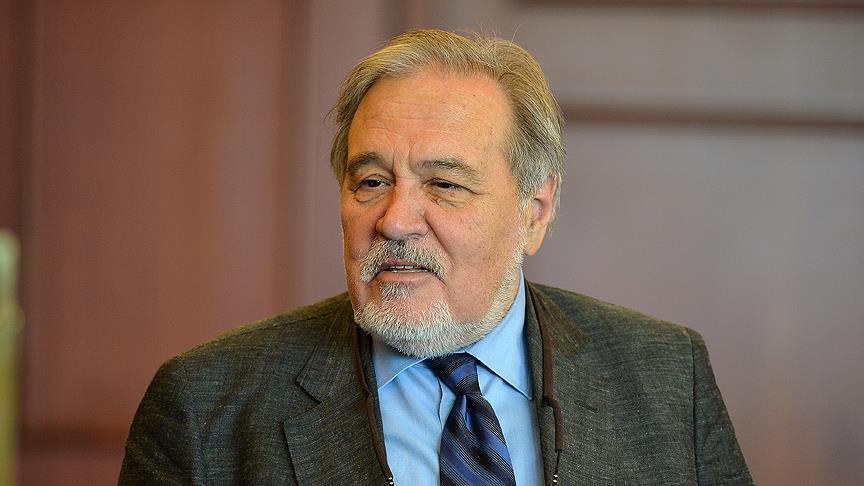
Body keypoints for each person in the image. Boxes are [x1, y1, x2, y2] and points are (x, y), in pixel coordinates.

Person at [120, 29, 752, 485]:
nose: (394, 220)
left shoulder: (668, 376)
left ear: (535, 211)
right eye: (371, 182)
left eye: (445, 184)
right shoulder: (204, 409)